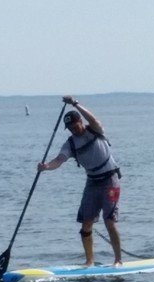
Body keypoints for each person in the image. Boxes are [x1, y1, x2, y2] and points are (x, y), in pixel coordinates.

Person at [38, 95, 124, 266]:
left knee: (109, 221)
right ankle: (89, 261)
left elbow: (93, 119)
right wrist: (46, 167)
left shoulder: (95, 130)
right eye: (69, 127)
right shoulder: (70, 144)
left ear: (80, 122)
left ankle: (118, 260)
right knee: (86, 224)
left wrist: (75, 104)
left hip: (110, 180)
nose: (73, 129)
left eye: (74, 125)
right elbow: (59, 160)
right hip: (92, 183)